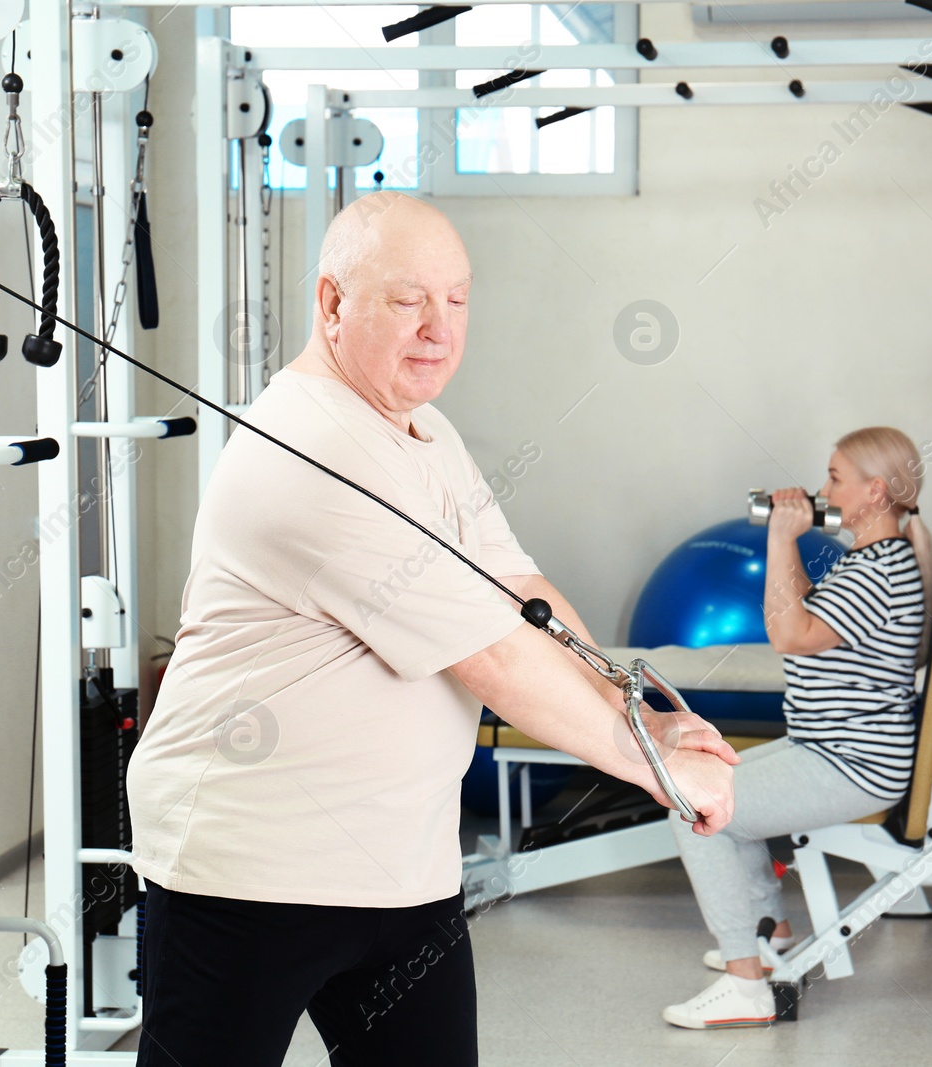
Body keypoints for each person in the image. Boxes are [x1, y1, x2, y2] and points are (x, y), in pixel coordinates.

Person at [126, 191, 739, 1067]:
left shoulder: (424, 428)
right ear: (333, 304)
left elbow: (516, 590)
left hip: (402, 865)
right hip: (248, 868)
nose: (439, 329)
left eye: (456, 300)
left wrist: (640, 709)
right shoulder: (307, 452)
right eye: (408, 300)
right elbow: (487, 654)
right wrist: (656, 767)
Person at [661, 427, 932, 1030]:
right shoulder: (868, 560)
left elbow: (790, 634)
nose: (821, 489)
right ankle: (772, 938)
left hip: (852, 762)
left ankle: (745, 987)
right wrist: (790, 541)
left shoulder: (880, 572)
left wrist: (784, 538)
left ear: (876, 491)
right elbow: (810, 616)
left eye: (835, 478)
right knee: (708, 784)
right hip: (830, 748)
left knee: (694, 808)